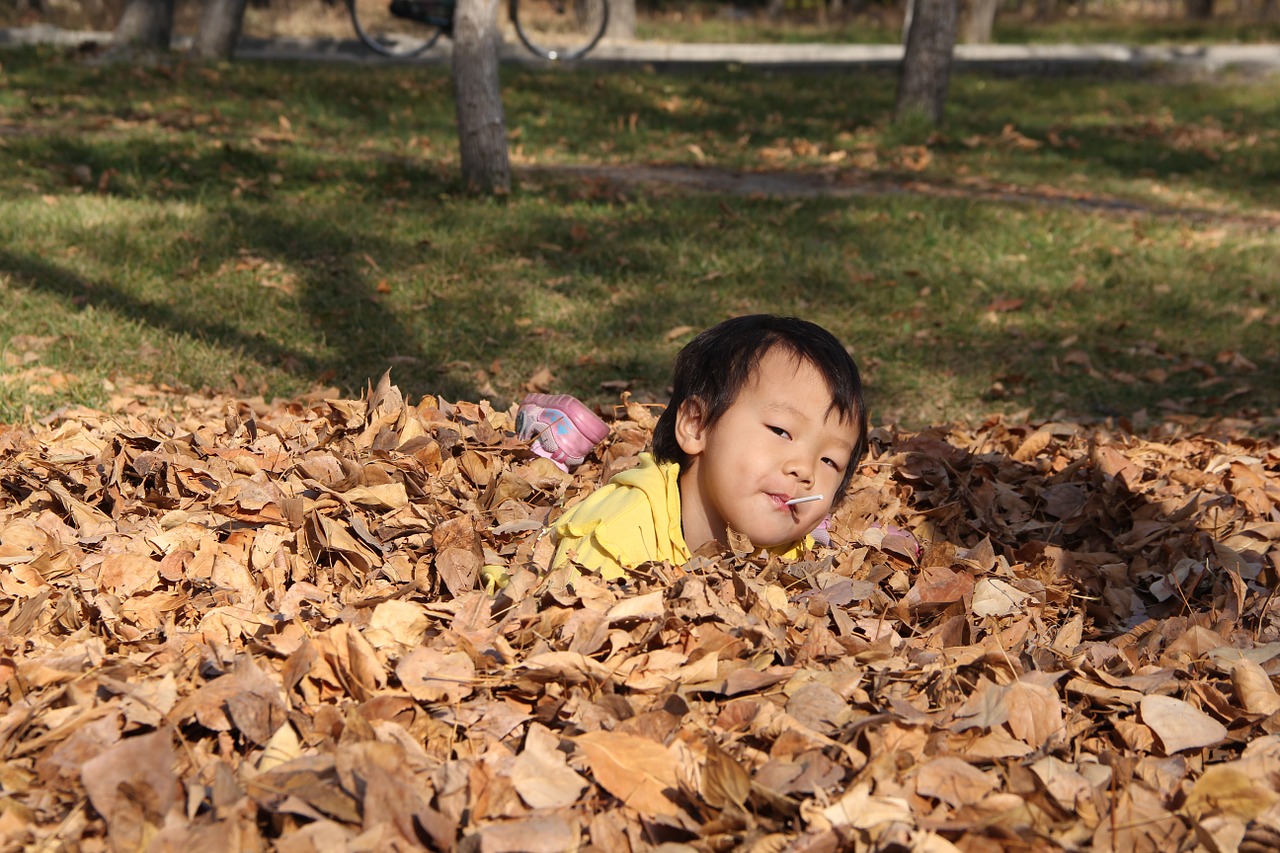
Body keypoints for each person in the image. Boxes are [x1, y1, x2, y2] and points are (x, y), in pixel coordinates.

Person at [519, 314, 868, 581]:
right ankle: (546, 448)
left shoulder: (793, 551)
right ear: (696, 425)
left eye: (830, 461)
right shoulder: (614, 540)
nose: (805, 470)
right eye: (781, 431)